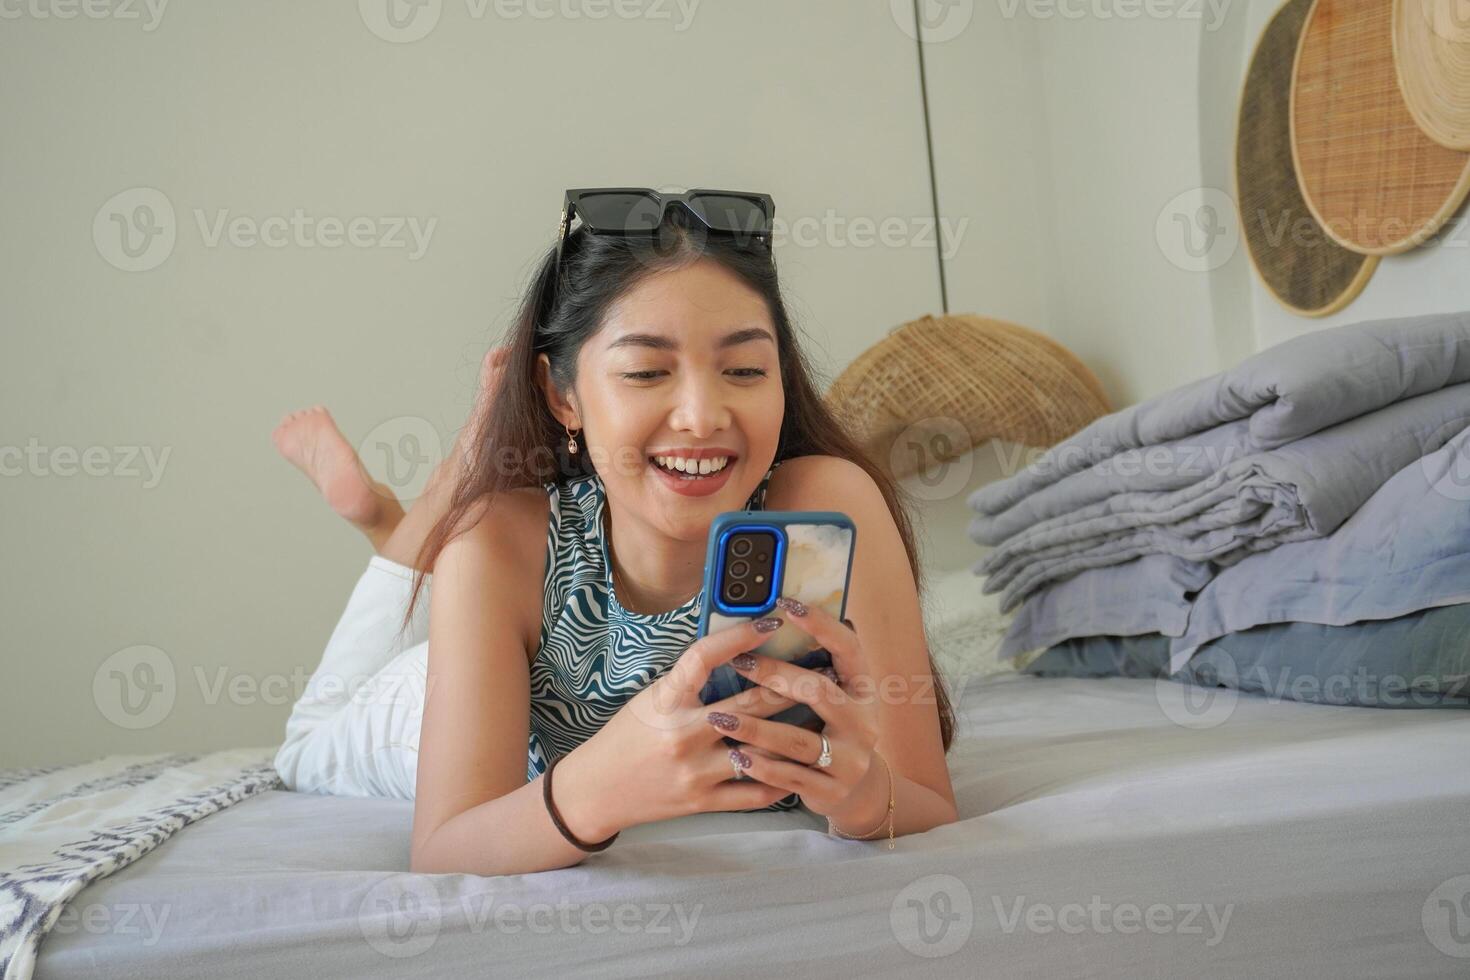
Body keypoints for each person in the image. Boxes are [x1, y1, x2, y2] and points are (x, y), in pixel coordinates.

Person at [270, 193, 959, 876]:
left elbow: (922, 800)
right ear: (562, 396)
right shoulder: (499, 549)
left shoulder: (827, 506)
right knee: (306, 743)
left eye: (745, 369)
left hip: (503, 632)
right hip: (436, 699)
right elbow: (446, 848)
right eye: (646, 372)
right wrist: (599, 785)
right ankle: (403, 514)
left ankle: (392, 523)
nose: (701, 415)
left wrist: (865, 798)